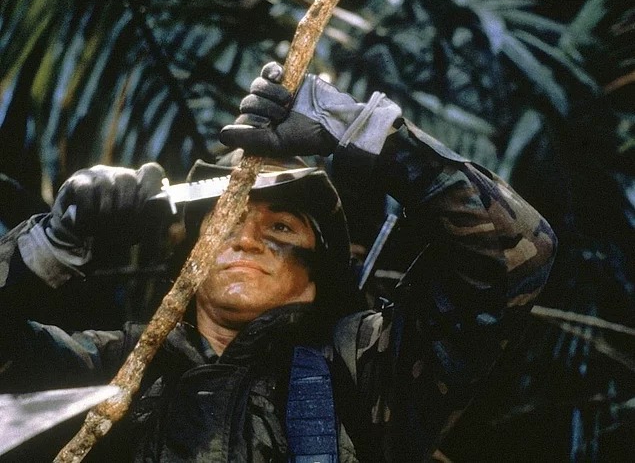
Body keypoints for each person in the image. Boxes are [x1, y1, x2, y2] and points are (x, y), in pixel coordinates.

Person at [0, 62, 557, 462]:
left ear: (319, 272)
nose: (245, 240)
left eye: (282, 228)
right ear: (190, 262)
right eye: (226, 223)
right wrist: (52, 243)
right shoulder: (111, 365)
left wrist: (367, 132)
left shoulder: (366, 370)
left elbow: (516, 254)